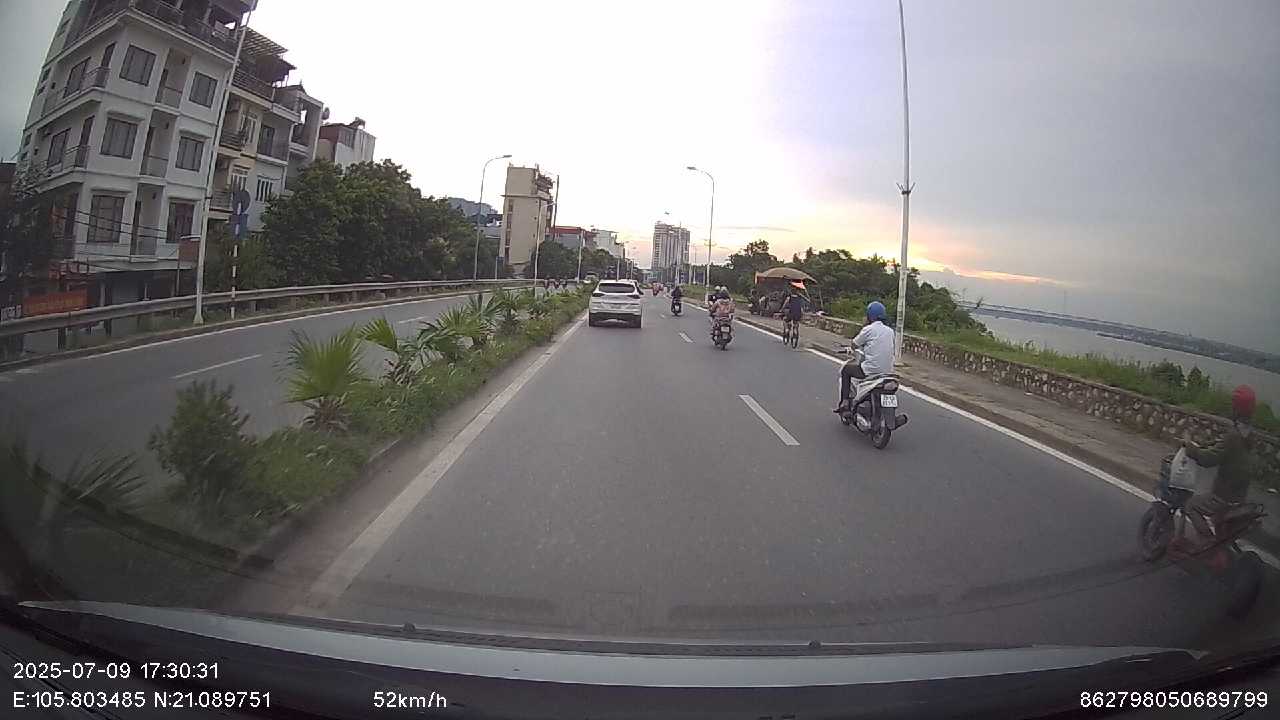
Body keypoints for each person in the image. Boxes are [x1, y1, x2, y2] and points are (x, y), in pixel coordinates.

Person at [1183, 385, 1258, 543]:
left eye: (1233, 404)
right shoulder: (1250, 434)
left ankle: (1208, 542)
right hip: (1239, 497)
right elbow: (1227, 449)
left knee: (1190, 505)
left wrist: (1190, 448)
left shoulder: (1233, 436)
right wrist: (1210, 444)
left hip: (1224, 497)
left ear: (1236, 408)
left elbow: (1208, 459)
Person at [834, 301, 895, 413]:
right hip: (888, 372)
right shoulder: (890, 331)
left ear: (870, 316)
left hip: (871, 371)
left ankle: (845, 402)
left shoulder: (868, 329)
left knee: (846, 370)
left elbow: (854, 344)